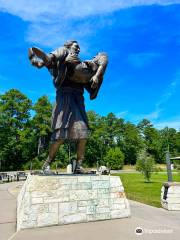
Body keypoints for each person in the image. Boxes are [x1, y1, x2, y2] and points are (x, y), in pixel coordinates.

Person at [28, 40, 108, 173]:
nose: (78, 49)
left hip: (77, 100)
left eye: (79, 48)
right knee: (60, 136)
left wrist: (96, 78)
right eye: (76, 47)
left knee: (83, 134)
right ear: (69, 46)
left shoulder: (82, 67)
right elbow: (58, 65)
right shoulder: (65, 56)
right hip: (64, 99)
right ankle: (46, 164)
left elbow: (101, 63)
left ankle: (78, 166)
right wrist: (46, 61)